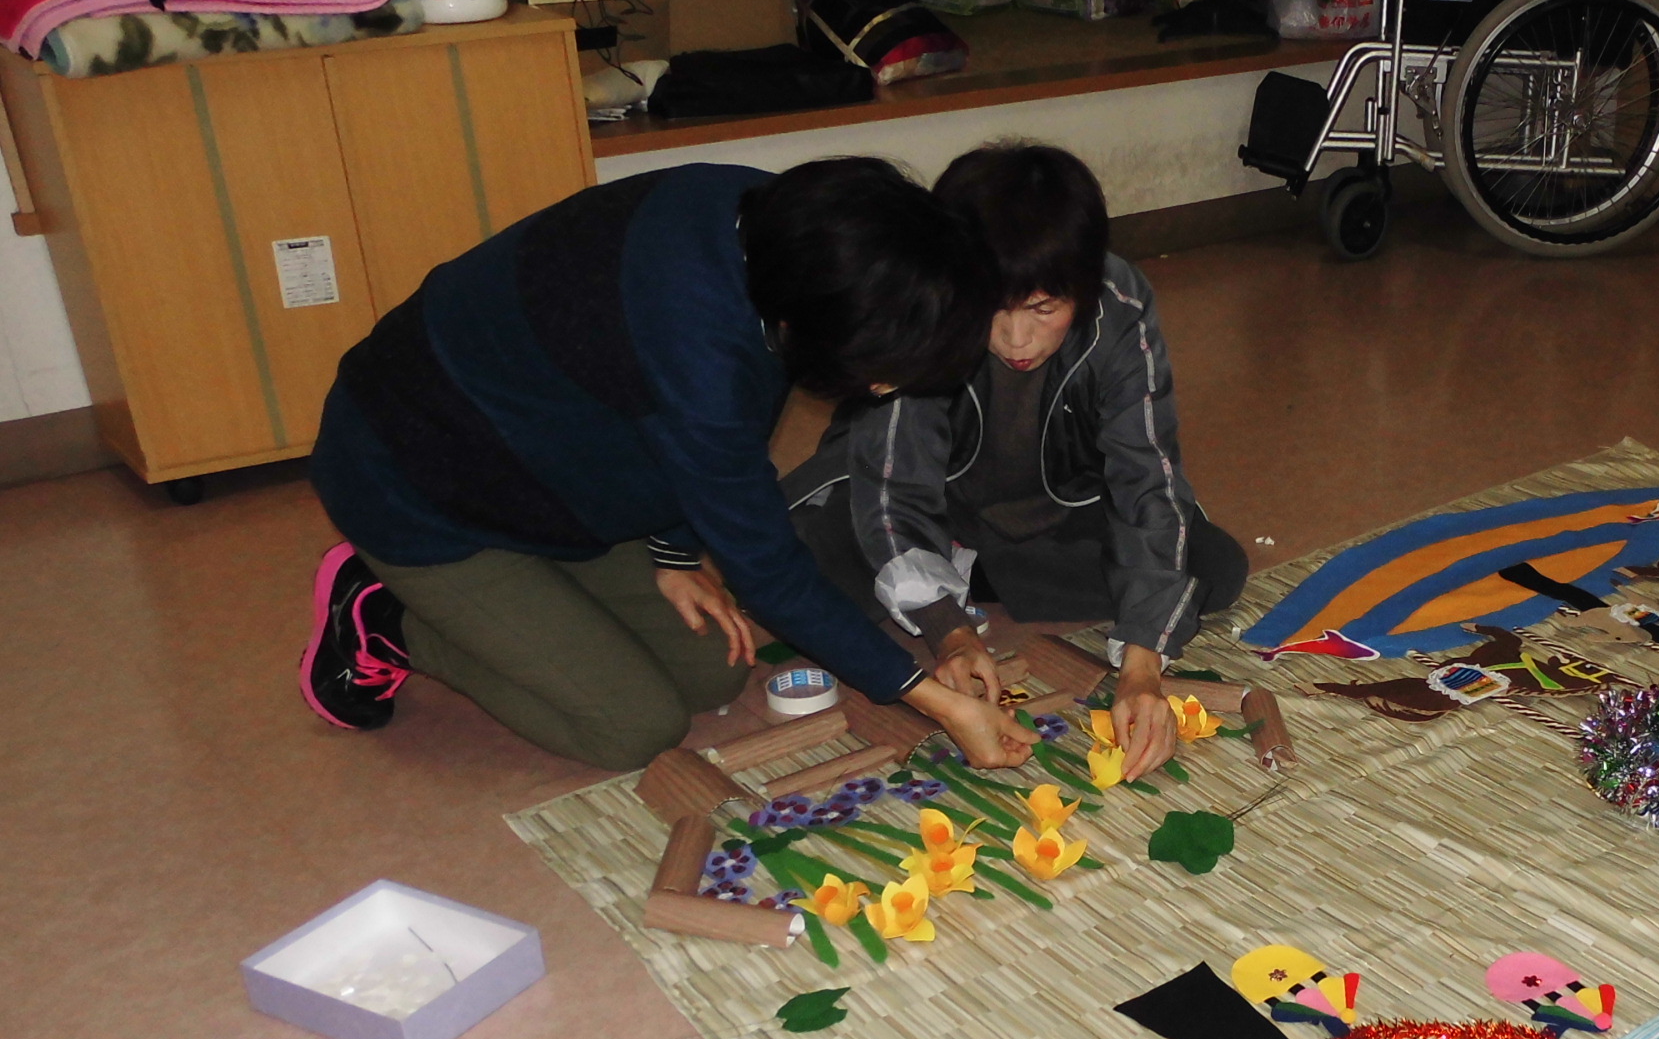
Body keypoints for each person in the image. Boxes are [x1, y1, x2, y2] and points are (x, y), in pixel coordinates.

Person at [296, 158, 1032, 775]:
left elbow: (673, 410)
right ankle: (382, 614)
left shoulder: (776, 224)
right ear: (806, 326)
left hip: (544, 464)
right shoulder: (699, 352)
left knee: (711, 670)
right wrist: (931, 698)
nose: (880, 390)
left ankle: (529, 594)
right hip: (413, 485)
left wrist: (674, 549)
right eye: (878, 373)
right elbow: (768, 568)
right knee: (631, 728)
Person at [784, 144, 1247, 783]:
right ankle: (960, 579)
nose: (1016, 338)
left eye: (1044, 308)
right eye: (994, 308)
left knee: (1212, 564)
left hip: (1058, 508)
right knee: (795, 557)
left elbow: (1145, 475)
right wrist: (947, 632)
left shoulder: (1119, 301)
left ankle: (973, 573)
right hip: (934, 505)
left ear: (1084, 286)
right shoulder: (924, 298)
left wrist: (1142, 669)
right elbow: (893, 486)